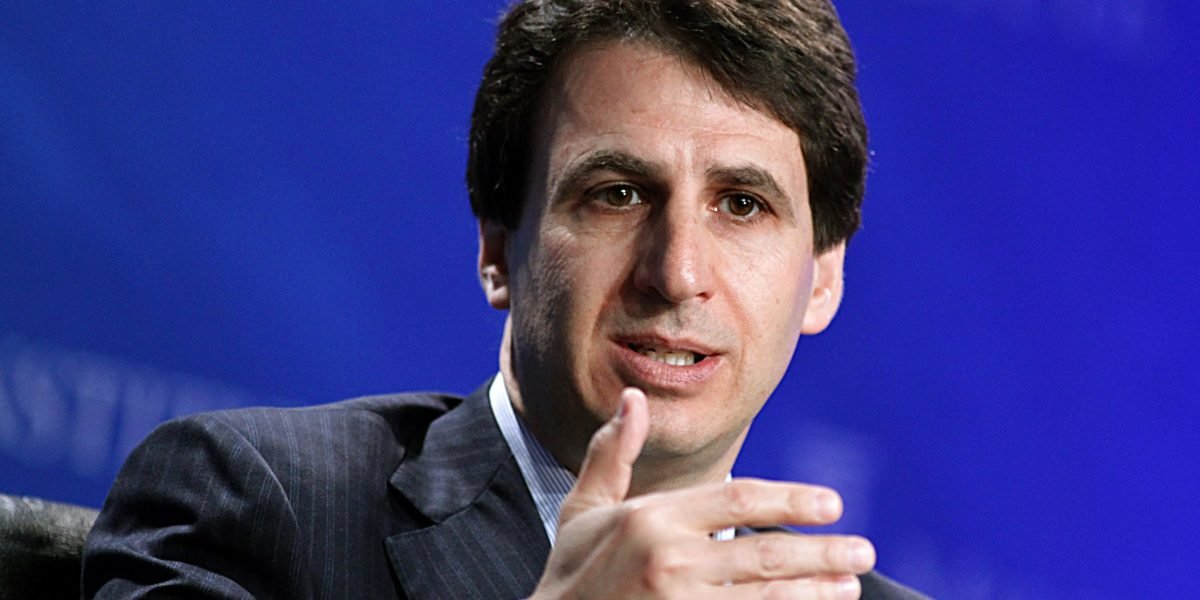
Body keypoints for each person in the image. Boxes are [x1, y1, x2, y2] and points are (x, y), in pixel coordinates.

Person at [83, 1, 926, 598]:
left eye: (742, 204)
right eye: (617, 194)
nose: (676, 273)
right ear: (497, 247)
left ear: (822, 277)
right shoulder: (256, 508)